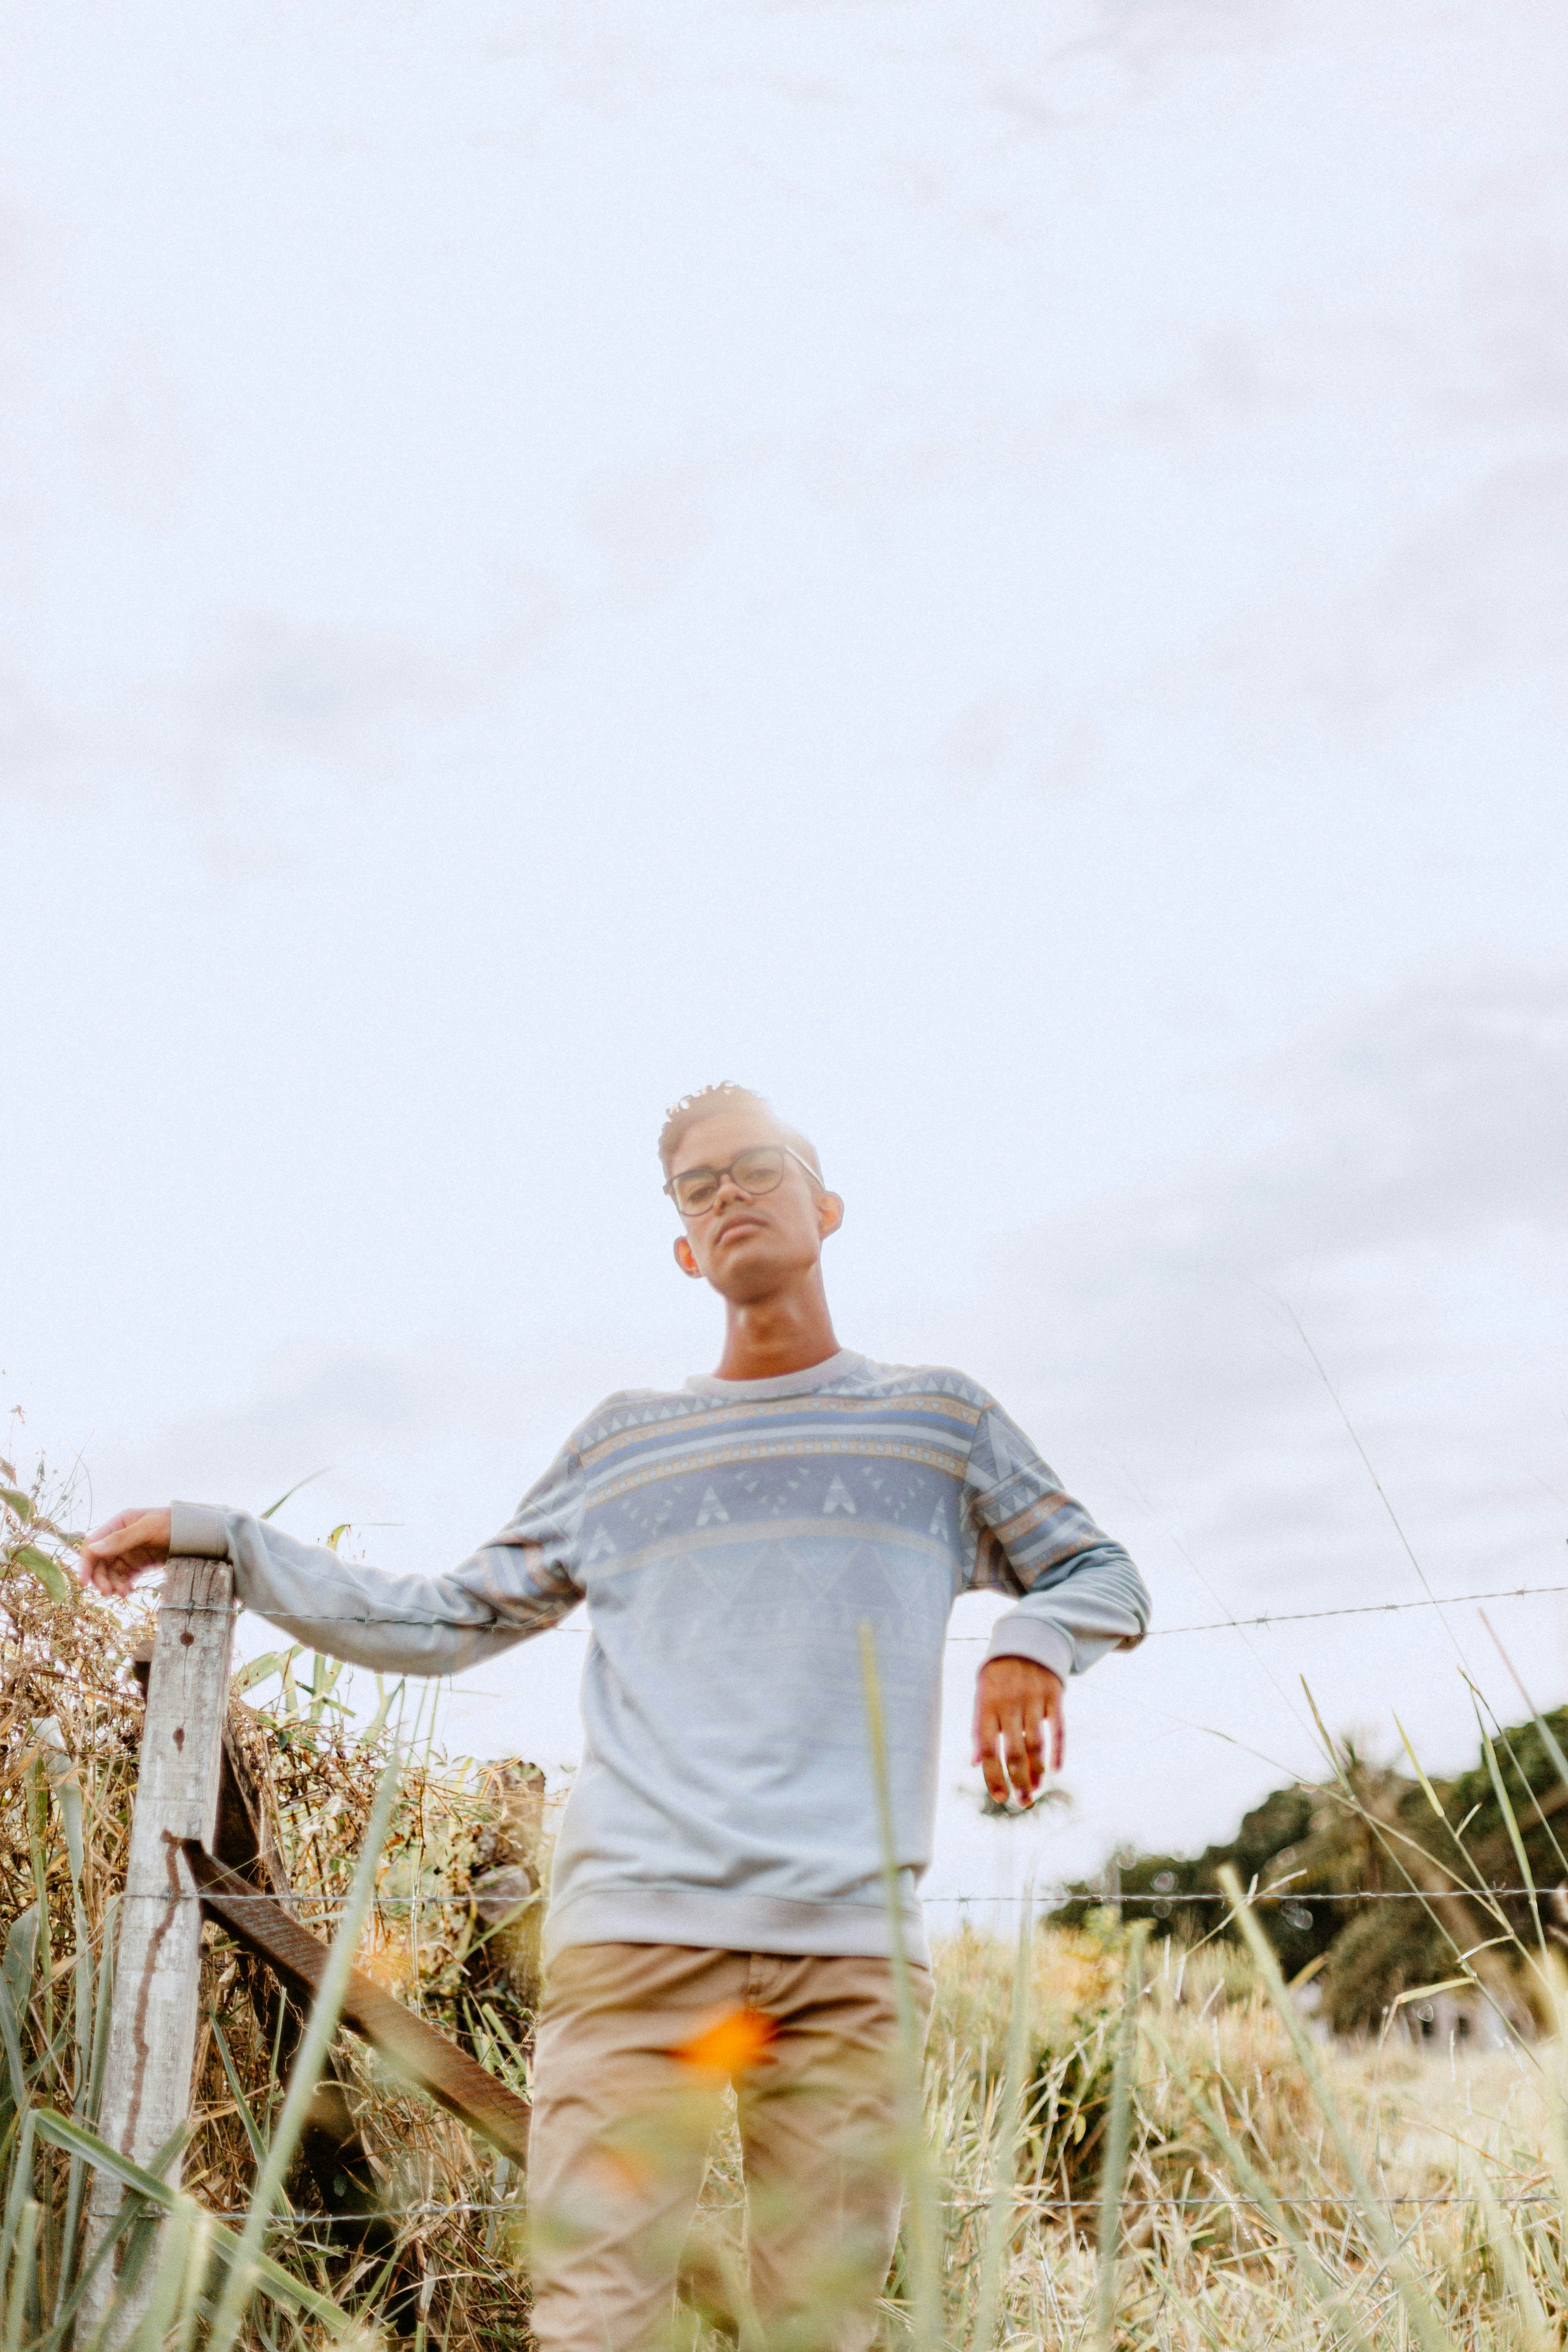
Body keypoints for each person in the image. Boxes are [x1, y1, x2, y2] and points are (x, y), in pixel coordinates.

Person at [78, 1082, 1150, 2352]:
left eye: (760, 1165)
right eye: (700, 1186)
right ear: (686, 1249)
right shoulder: (622, 1446)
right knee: (596, 2324)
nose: (732, 1191)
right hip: (637, 1948)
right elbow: (442, 1618)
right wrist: (223, 1538)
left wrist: (1029, 1641)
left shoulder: (938, 1422)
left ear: (827, 1205)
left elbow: (1101, 1576)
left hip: (852, 1955)